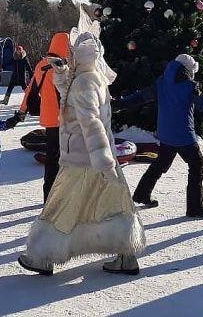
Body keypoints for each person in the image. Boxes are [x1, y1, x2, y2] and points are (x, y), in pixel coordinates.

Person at [18, 23, 145, 277]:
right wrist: (62, 75)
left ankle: (42, 258)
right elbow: (73, 98)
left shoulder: (84, 83)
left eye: (72, 53)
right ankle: (126, 257)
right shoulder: (91, 78)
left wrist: (102, 160)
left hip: (83, 159)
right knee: (114, 204)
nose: (69, 56)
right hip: (100, 158)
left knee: (61, 205)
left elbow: (91, 123)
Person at [114, 54, 203, 218]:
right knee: (196, 165)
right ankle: (194, 207)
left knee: (160, 163)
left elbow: (140, 97)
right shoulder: (189, 87)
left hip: (165, 134)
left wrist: (119, 104)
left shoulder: (161, 82)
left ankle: (142, 194)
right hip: (184, 136)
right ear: (188, 70)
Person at [20, 32, 70, 202]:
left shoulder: (42, 64)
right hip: (65, 120)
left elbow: (31, 89)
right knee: (67, 158)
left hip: (50, 119)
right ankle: (62, 197)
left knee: (51, 159)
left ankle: (48, 196)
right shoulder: (63, 67)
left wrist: (22, 110)